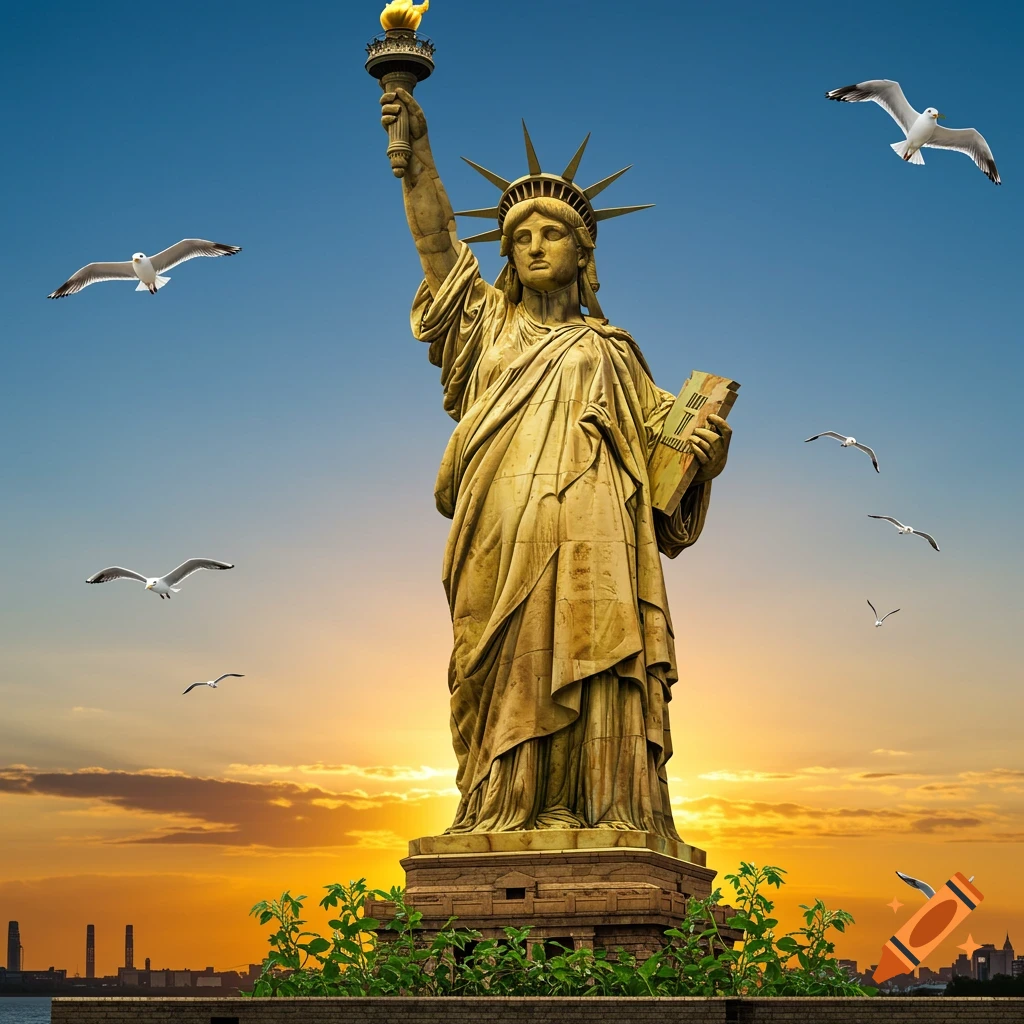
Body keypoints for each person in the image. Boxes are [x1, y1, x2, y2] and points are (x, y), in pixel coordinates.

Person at [381, 88, 732, 839]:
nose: (535, 245)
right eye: (521, 237)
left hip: (596, 536)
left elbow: (663, 475)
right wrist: (417, 158)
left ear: (584, 251)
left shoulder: (613, 352)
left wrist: (706, 457)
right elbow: (437, 244)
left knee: (599, 661)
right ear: (506, 255)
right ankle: (497, 807)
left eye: (553, 233)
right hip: (498, 532)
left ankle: (602, 809)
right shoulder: (485, 328)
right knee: (492, 665)